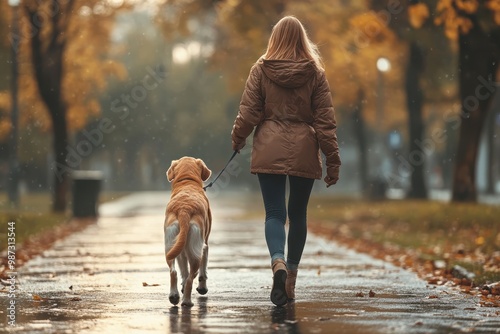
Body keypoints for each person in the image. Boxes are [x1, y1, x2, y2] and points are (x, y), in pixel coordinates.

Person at [231, 15, 341, 306]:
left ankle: (277, 261)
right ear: (302, 39)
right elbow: (325, 122)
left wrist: (238, 138)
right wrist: (333, 160)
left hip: (269, 145)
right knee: (298, 214)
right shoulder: (316, 73)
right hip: (304, 147)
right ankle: (290, 276)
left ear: (275, 38)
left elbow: (249, 112)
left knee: (275, 214)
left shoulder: (261, 69)